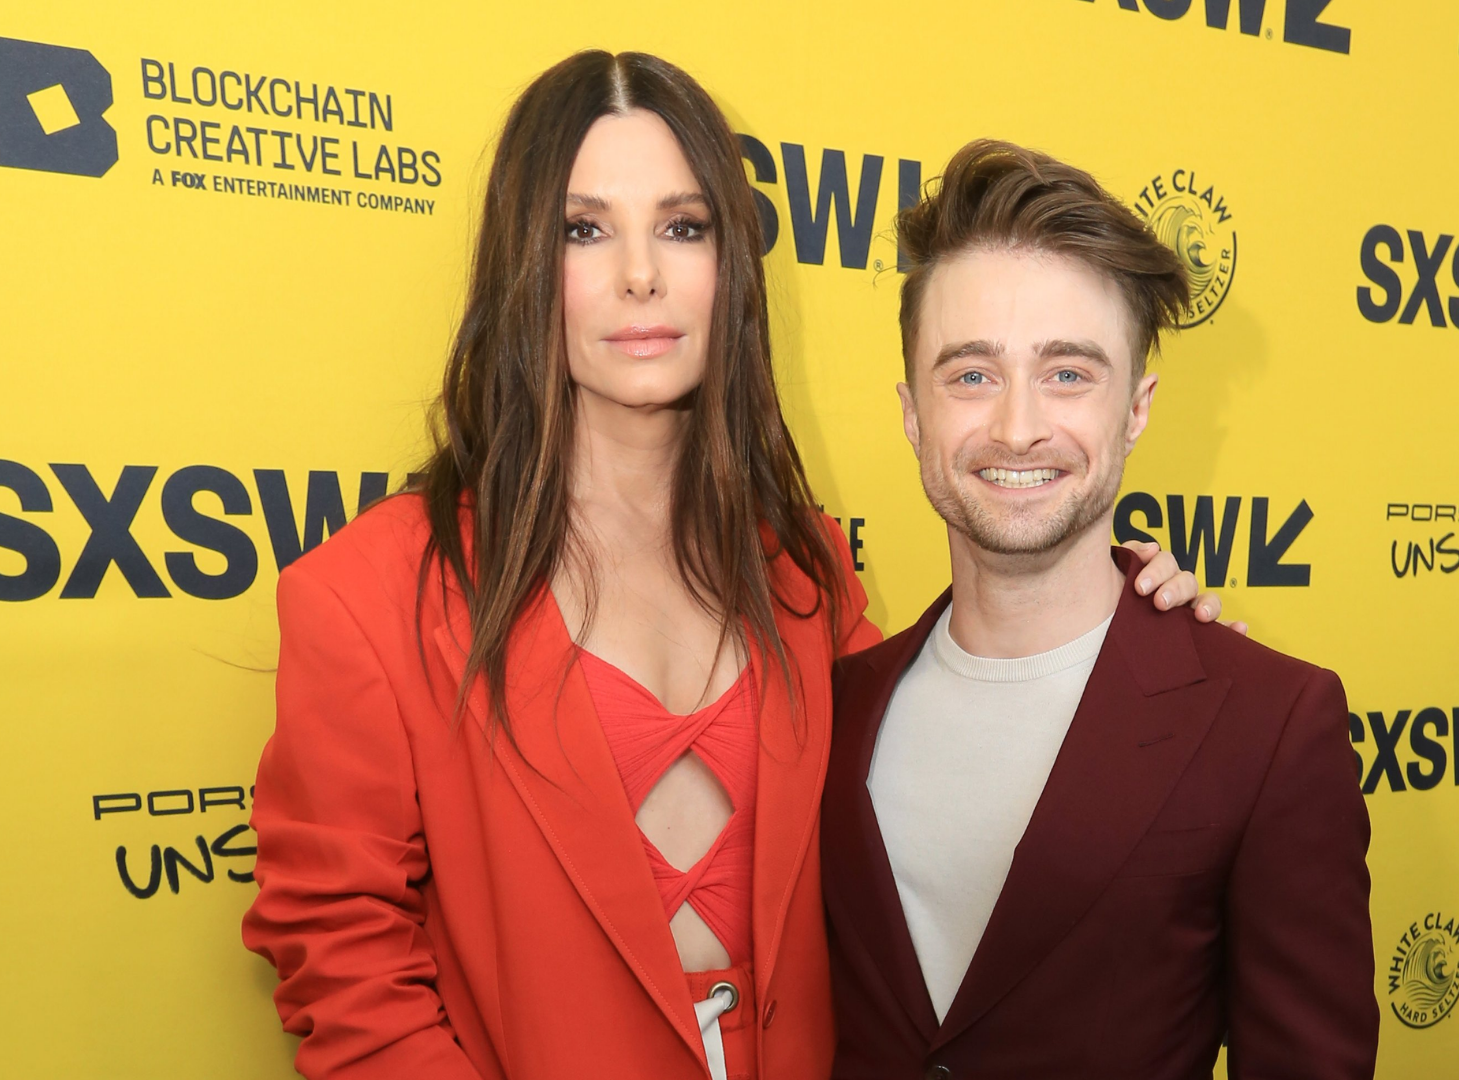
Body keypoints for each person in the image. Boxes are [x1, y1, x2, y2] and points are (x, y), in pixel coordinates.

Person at [241, 54, 1219, 1080]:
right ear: (523, 262)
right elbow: (341, 961)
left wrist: (1115, 641)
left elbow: (937, 771)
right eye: (584, 229)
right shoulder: (369, 594)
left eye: (682, 225)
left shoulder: (800, 572)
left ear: (730, 261)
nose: (640, 275)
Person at [822, 141, 1376, 1079]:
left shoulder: (1270, 727)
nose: (1017, 426)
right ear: (913, 412)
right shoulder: (830, 712)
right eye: (971, 375)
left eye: (1068, 373)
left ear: (1137, 409)